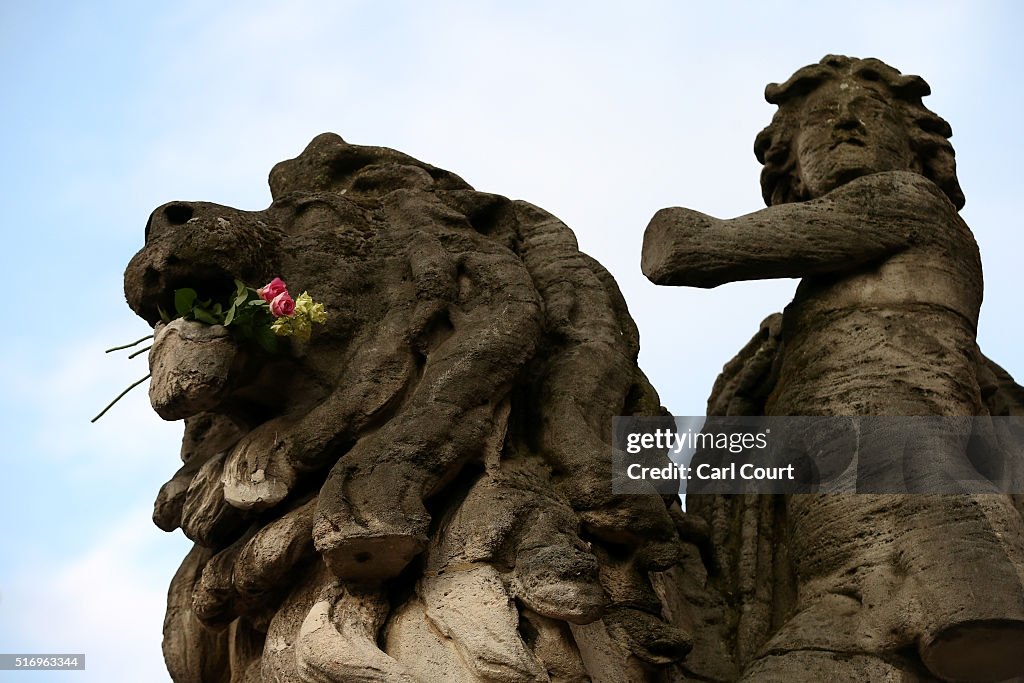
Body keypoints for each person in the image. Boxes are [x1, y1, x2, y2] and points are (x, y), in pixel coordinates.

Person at [642, 55, 1024, 682]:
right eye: (821, 119)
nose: (846, 124)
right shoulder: (788, 335)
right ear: (788, 163)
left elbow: (688, 251)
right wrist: (631, 462)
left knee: (973, 633)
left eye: (869, 113)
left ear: (916, 149)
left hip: (905, 480)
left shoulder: (904, 199)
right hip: (835, 541)